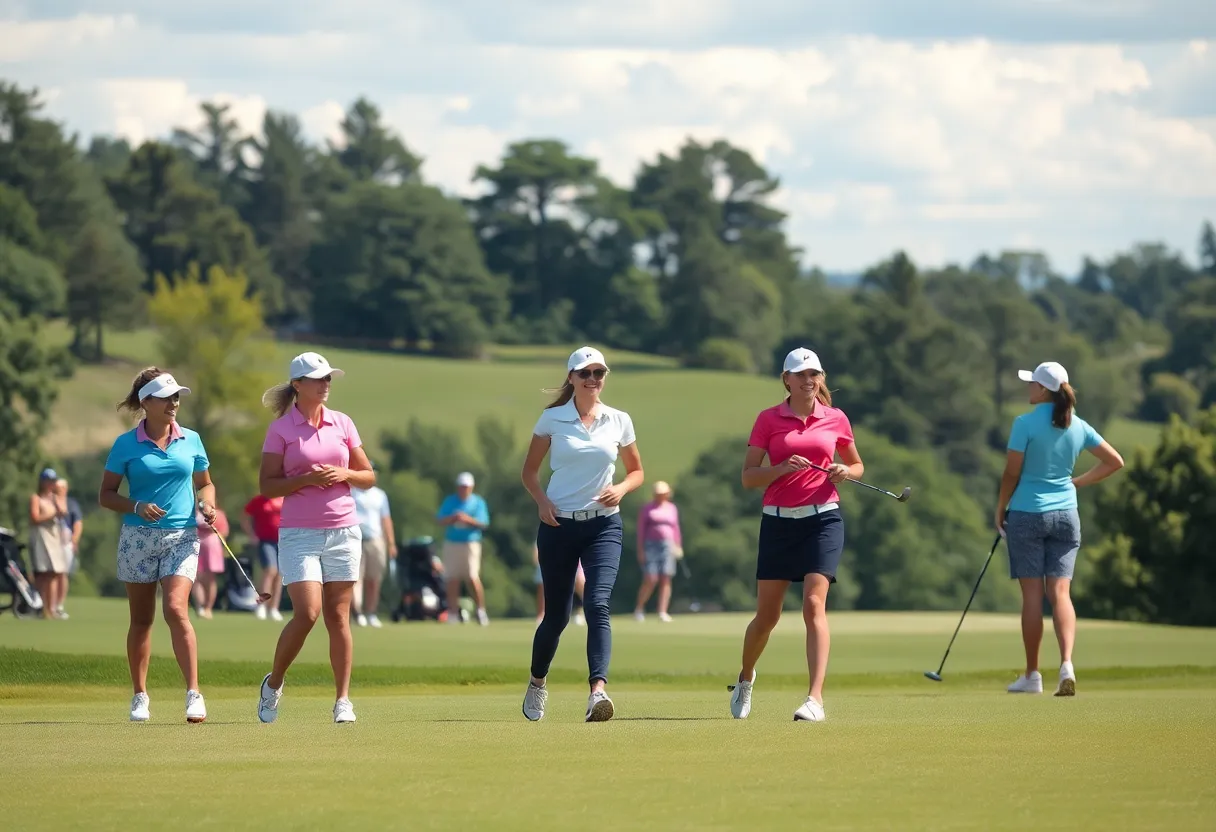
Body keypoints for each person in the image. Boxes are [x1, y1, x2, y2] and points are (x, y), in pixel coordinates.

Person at [730, 347, 864, 723]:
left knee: (813, 606)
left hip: (823, 520)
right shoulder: (769, 419)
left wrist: (845, 472)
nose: (809, 381)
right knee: (767, 617)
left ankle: (815, 699)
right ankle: (745, 676)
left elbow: (857, 464)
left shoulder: (835, 418)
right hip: (778, 522)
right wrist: (781, 468)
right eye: (801, 375)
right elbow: (748, 477)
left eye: (814, 375)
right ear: (786, 379)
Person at [521, 346, 644, 723]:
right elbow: (529, 472)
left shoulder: (619, 420)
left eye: (599, 373)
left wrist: (621, 489)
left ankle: (598, 693)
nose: (593, 380)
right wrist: (541, 501)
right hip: (558, 526)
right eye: (585, 373)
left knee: (598, 604)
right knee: (556, 617)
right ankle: (538, 681)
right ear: (571, 378)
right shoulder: (552, 419)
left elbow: (637, 471)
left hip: (604, 524)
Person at [256, 352, 375, 725]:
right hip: (299, 533)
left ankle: (342, 700)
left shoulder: (342, 423)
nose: (326, 384)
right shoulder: (281, 430)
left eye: (328, 379)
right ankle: (274, 683)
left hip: (343, 530)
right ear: (297, 385)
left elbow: (368, 475)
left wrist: (342, 473)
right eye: (318, 379)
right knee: (307, 613)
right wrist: (307, 479)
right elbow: (266, 485)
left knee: (339, 617)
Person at [996, 361, 1125, 697]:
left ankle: (1032, 675)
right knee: (1062, 594)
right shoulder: (1078, 425)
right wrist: (1078, 482)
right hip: (1067, 515)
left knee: (1033, 597)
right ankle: (1066, 664)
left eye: (1031, 384)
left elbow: (1011, 473)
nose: (1028, 389)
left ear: (1042, 390)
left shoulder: (1024, 423)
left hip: (1026, 513)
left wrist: (1000, 508)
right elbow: (1115, 461)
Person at [98, 368, 216, 723]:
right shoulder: (125, 445)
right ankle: (140, 695)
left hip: (181, 536)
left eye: (177, 397)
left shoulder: (191, 439)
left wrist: (208, 504)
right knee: (142, 619)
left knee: (176, 610)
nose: (174, 403)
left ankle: (193, 692)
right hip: (137, 537)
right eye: (166, 398)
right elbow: (106, 495)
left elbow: (205, 484)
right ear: (147, 402)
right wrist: (135, 506)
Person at [436, 472, 491, 626]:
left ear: (471, 488)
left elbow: (483, 523)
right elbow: (440, 519)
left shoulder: (477, 502)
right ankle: (452, 613)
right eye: (461, 487)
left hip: (470, 543)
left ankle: (481, 611)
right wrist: (453, 518)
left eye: (466, 487)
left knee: (472, 576)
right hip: (452, 542)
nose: (463, 490)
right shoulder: (450, 501)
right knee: (452, 578)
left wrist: (466, 519)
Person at [352, 464, 397, 628]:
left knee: (374, 579)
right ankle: (357, 613)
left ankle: (371, 612)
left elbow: (386, 519)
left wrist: (391, 543)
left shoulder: (380, 495)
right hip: (354, 539)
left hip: (375, 540)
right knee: (356, 579)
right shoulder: (351, 492)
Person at [633, 480, 683, 623]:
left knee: (666, 578)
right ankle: (639, 608)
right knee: (651, 578)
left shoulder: (672, 508)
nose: (660, 496)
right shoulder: (647, 509)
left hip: (668, 545)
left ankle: (662, 611)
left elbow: (675, 528)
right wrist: (640, 550)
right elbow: (641, 530)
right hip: (650, 545)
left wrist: (678, 545)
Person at [28, 468, 68, 620]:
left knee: (54, 573)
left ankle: (51, 609)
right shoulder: (36, 498)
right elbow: (35, 518)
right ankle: (39, 607)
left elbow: (63, 512)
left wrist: (60, 497)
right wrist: (52, 513)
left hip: (54, 536)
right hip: (41, 536)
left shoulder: (54, 498)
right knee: (42, 573)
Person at [242, 493, 284, 621]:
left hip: (284, 541)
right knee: (270, 570)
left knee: (280, 575)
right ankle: (262, 606)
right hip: (265, 541)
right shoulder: (259, 500)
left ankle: (274, 608)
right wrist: (251, 534)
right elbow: (245, 516)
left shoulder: (284, 498)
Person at [533, 540, 585, 627]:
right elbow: (535, 555)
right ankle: (542, 614)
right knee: (543, 587)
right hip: (549, 563)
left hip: (570, 562)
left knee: (579, 585)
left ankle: (582, 612)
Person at [192, 498, 229, 619]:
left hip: (211, 545)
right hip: (194, 543)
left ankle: (208, 607)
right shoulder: (192, 513)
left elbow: (224, 531)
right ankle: (199, 606)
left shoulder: (217, 513)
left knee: (210, 578)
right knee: (195, 577)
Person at [56, 478, 83, 619]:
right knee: (49, 574)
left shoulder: (71, 504)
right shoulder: (50, 501)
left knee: (63, 574)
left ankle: (59, 605)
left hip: (66, 543)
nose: (58, 490)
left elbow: (77, 524)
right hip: (51, 541)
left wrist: (74, 541)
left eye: (60, 488)